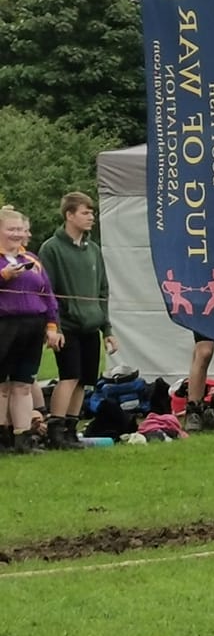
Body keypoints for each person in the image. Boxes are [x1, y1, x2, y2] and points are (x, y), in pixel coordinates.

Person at [40, 192, 114, 451]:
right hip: (67, 326)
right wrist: (54, 326)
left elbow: (103, 291)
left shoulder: (93, 250)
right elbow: (46, 291)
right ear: (69, 215)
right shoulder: (52, 248)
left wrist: (107, 329)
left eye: (92, 212)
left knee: (85, 380)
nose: (91, 217)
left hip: (91, 325)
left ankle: (71, 428)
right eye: (85, 212)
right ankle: (55, 429)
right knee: (69, 376)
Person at [0, 206, 63, 455]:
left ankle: (23, 438)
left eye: (19, 229)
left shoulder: (32, 260)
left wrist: (52, 326)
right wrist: (4, 276)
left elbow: (48, 295)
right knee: (2, 385)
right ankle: (2, 437)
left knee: (23, 384)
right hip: (4, 326)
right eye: (10, 229)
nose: (16, 234)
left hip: (32, 326)